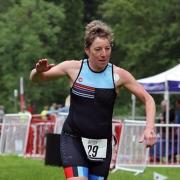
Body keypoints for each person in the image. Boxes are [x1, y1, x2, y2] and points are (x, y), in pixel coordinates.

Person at [30, 20, 156, 180]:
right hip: (73, 139)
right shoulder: (73, 68)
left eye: (107, 48)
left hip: (101, 144)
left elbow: (148, 99)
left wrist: (149, 128)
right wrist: (37, 71)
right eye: (98, 49)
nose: (104, 53)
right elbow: (37, 79)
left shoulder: (118, 75)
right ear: (87, 50)